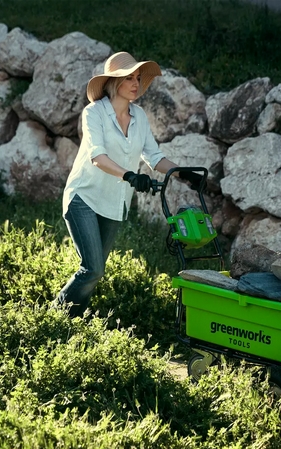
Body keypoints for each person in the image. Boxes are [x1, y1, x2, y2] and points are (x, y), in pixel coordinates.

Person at [56, 51, 203, 318]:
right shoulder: (94, 113)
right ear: (114, 81)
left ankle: (70, 323)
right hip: (84, 198)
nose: (136, 83)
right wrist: (130, 176)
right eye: (129, 78)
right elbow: (97, 156)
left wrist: (185, 174)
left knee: (95, 272)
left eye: (138, 78)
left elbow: (154, 156)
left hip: (114, 203)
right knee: (92, 269)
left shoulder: (139, 116)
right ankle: (55, 317)